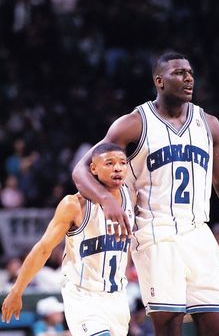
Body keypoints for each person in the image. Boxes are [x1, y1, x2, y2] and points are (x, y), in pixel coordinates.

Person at [71, 51, 219, 336]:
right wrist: (107, 200)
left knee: (218, 327)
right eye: (179, 73)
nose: (188, 78)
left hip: (198, 232)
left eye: (190, 73)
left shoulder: (209, 124)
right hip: (155, 233)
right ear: (159, 81)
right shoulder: (134, 123)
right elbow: (81, 170)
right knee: (169, 325)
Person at [1, 143, 135, 336]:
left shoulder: (131, 197)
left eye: (122, 163)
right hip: (83, 296)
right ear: (93, 169)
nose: (117, 167)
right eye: (109, 163)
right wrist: (17, 290)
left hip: (117, 298)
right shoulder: (74, 205)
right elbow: (44, 249)